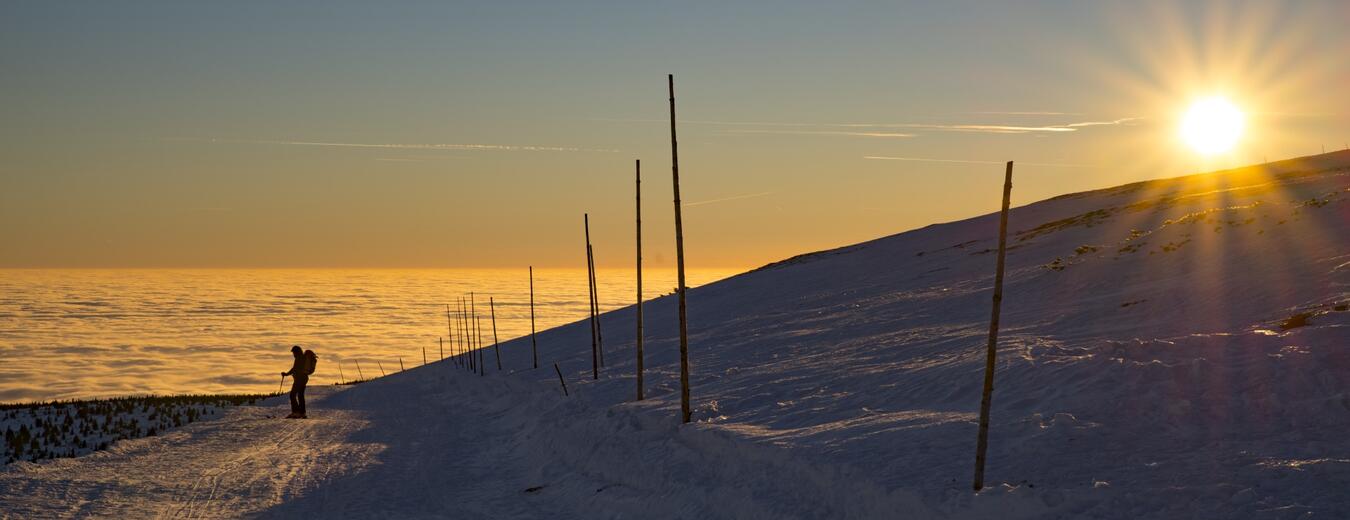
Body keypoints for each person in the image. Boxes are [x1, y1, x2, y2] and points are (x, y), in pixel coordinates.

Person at [281, 345, 312, 419]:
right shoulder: (303, 358)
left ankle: (296, 412)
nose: (293, 354)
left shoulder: (299, 358)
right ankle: (302, 413)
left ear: (296, 352)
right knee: (300, 395)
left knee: (292, 394)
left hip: (299, 378)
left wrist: (286, 374)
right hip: (304, 378)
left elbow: (294, 369)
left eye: (294, 352)